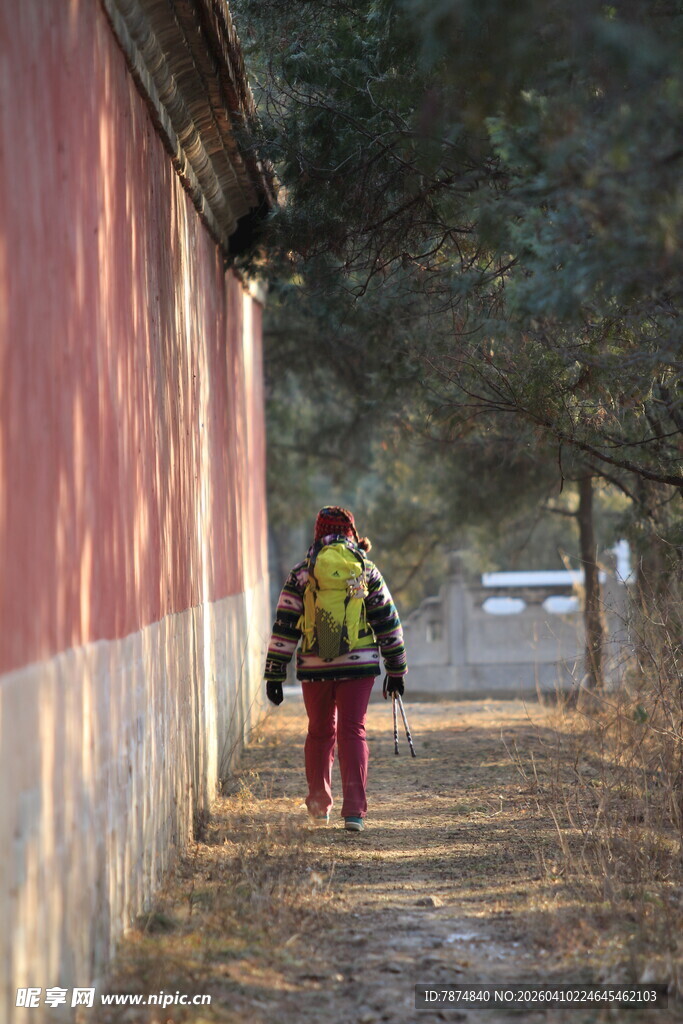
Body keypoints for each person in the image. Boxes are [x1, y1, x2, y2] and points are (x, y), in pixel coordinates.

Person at [264, 506, 408, 832]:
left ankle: (319, 805)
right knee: (352, 730)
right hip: (359, 667)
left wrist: (275, 673)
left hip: (314, 666)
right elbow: (388, 623)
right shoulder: (365, 570)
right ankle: (354, 812)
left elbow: (285, 626)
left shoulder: (302, 573)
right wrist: (396, 669)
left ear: (317, 531)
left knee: (319, 732)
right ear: (352, 533)